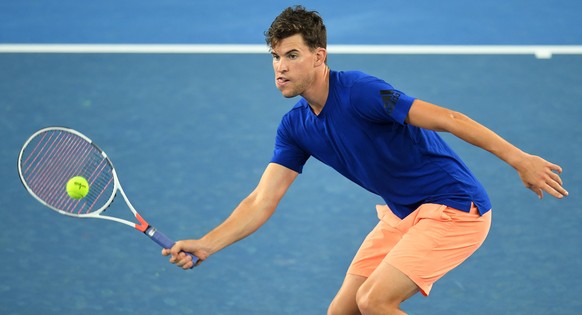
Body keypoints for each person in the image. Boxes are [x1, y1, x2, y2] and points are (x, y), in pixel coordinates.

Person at [162, 5, 568, 314]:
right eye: (275, 56)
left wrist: (519, 159)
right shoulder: (295, 127)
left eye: (292, 55)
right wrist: (207, 244)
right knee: (343, 311)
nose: (280, 68)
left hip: (456, 208)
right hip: (404, 213)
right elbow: (260, 201)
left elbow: (449, 119)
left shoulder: (360, 92)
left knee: (374, 301)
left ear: (319, 56)